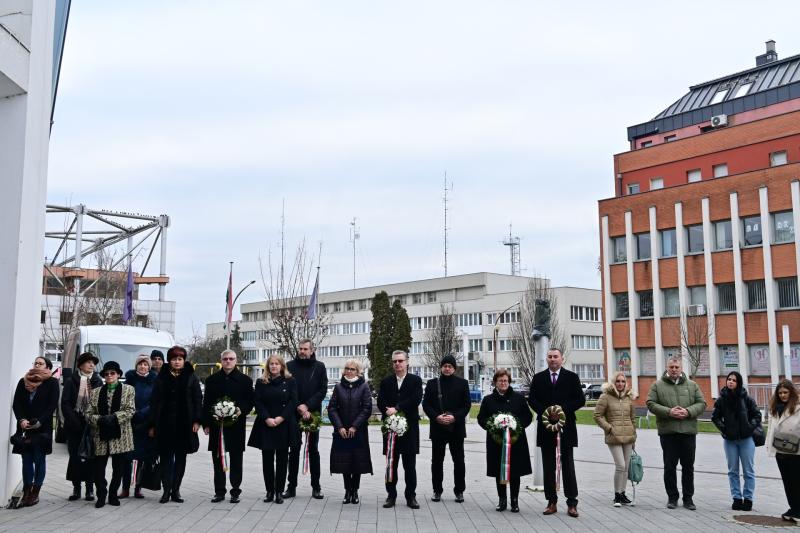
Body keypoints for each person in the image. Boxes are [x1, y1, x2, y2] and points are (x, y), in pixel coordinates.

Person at [528, 347, 586, 517]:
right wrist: (546, 412)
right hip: (546, 428)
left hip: (566, 427)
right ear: (547, 359)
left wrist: (561, 410)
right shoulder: (538, 378)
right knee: (548, 466)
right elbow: (532, 400)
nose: (552, 359)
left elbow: (580, 400)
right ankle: (551, 501)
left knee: (568, 465)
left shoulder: (571, 377)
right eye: (550, 357)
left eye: (555, 356)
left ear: (562, 358)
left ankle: (572, 503)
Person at [646, 355, 706, 511]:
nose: (674, 370)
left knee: (688, 467)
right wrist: (669, 412)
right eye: (671, 367)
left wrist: (688, 411)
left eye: (676, 367)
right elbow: (650, 403)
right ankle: (672, 498)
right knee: (669, 467)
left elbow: (702, 403)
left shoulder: (692, 385)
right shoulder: (657, 386)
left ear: (681, 368)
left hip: (688, 432)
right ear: (667, 368)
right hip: (669, 433)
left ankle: (688, 499)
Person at [148, 345, 203, 504]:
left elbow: (197, 399)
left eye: (180, 359)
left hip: (185, 424)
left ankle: (176, 490)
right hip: (164, 424)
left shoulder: (191, 376)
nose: (177, 362)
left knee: (181, 458)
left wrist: (197, 420)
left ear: (184, 360)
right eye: (174, 359)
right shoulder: (162, 377)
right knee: (165, 458)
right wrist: (152, 424)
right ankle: (166, 490)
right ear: (169, 361)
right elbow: (154, 401)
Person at [202, 349, 254, 503]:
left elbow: (250, 401)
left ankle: (235, 491)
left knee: (236, 459)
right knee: (218, 459)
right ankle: (219, 491)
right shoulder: (211, 380)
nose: (228, 361)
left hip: (236, 426)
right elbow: (206, 403)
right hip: (217, 426)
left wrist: (240, 410)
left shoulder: (245, 380)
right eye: (225, 359)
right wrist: (206, 423)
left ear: (236, 360)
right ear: (221, 361)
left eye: (231, 359)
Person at [477, 369, 533, 513]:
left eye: (506, 381)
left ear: (509, 382)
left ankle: (514, 501)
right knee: (499, 470)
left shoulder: (519, 398)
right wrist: (492, 426)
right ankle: (502, 500)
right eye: (500, 380)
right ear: (495, 382)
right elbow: (481, 418)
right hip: (497, 442)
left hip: (516, 442)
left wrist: (517, 426)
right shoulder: (488, 400)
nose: (503, 383)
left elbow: (528, 416)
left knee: (515, 472)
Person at [248, 354, 297, 504]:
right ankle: (269, 491)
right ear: (267, 366)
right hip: (266, 424)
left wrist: (281, 418)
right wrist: (267, 418)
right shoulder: (261, 382)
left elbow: (293, 401)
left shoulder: (290, 381)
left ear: (282, 366)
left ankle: (279, 492)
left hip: (283, 424)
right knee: (267, 460)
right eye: (271, 364)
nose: (274, 366)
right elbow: (257, 401)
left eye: (277, 364)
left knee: (282, 460)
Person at [377, 350, 423, 509]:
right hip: (390, 430)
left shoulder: (415, 380)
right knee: (391, 463)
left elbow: (415, 399)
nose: (397, 364)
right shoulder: (386, 381)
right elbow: (381, 399)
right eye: (395, 361)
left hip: (409, 430)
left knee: (410, 465)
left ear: (407, 362)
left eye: (400, 361)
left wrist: (397, 408)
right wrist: (387, 410)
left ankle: (411, 496)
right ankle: (391, 495)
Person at [85, 361, 135, 508]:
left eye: (112, 373)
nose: (109, 376)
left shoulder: (129, 390)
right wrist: (99, 419)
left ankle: (113, 495)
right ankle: (101, 495)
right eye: (106, 374)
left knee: (118, 469)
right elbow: (88, 413)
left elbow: (130, 410)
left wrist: (114, 417)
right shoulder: (96, 392)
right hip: (100, 435)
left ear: (118, 374)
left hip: (121, 435)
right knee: (99, 470)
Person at [422, 354, 471, 503]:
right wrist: (436, 417)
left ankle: (459, 491)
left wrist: (454, 417)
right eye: (445, 366)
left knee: (459, 461)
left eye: (450, 366)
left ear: (454, 368)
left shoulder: (462, 383)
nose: (447, 368)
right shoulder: (432, 384)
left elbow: (467, 405)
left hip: (456, 429)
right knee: (437, 461)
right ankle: (437, 490)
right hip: (438, 428)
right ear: (441, 367)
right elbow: (426, 405)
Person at [12, 356, 59, 506]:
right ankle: (26, 490)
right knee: (26, 460)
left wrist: (40, 421)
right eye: (36, 363)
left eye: (41, 363)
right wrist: (21, 420)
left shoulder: (52, 382)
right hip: (25, 428)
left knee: (39, 460)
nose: (37, 365)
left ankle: (35, 492)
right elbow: (17, 403)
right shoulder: (23, 381)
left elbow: (52, 405)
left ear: (48, 367)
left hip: (42, 428)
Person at [711, 371, 762, 511]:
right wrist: (724, 429)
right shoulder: (721, 400)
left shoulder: (747, 399)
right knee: (733, 471)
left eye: (734, 380)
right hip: (730, 441)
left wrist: (749, 427)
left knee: (748, 471)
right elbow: (715, 417)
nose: (730, 382)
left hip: (746, 440)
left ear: (738, 382)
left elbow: (757, 415)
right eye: (729, 379)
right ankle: (737, 498)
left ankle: (748, 499)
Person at [284, 339, 327, 499]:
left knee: (313, 451)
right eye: (300, 348)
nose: (302, 351)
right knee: (294, 450)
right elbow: (288, 389)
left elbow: (322, 390)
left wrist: (308, 406)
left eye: (305, 349)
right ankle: (291, 487)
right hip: (294, 414)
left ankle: (316, 487)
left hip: (312, 414)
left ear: (312, 350)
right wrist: (299, 407)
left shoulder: (320, 367)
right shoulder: (289, 366)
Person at [327, 358, 373, 504]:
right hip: (342, 431)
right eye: (347, 368)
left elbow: (367, 408)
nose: (349, 371)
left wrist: (355, 426)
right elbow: (332, 408)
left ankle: (355, 490)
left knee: (357, 461)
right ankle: (347, 490)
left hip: (358, 431)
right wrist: (339, 426)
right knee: (345, 462)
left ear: (358, 371)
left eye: (352, 369)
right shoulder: (339, 387)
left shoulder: (364, 387)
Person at [61, 351, 102, 501]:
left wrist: (94, 420)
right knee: (75, 457)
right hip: (75, 426)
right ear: (81, 365)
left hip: (91, 426)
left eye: (93, 363)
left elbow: (101, 403)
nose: (92, 365)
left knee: (91, 457)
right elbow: (65, 403)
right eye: (88, 362)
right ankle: (76, 488)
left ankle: (90, 489)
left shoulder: (98, 381)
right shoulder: (72, 380)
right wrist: (75, 422)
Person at [593, 371, 637, 507]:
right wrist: (609, 428)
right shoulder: (605, 397)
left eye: (623, 381)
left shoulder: (628, 397)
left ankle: (623, 494)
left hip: (628, 436)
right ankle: (617, 495)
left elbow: (632, 418)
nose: (620, 384)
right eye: (618, 381)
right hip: (614, 436)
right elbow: (597, 415)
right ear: (613, 382)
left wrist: (634, 436)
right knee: (621, 465)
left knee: (626, 467)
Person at [123, 355, 158, 498]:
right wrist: (132, 413)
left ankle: (138, 487)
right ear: (136, 365)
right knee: (126, 458)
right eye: (140, 364)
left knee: (142, 458)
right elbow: (123, 399)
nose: (143, 367)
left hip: (146, 423)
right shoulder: (129, 381)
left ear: (149, 367)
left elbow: (156, 402)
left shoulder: (155, 382)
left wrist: (143, 414)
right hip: (129, 423)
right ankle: (125, 488)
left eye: (145, 364)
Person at [765, 379, 800, 522]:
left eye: (785, 392)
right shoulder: (775, 408)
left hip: (796, 450)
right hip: (780, 449)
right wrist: (769, 446)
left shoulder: (798, 407)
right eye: (780, 393)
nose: (783, 395)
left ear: (791, 392)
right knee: (787, 481)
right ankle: (793, 507)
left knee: (796, 481)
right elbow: (770, 429)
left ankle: (798, 509)